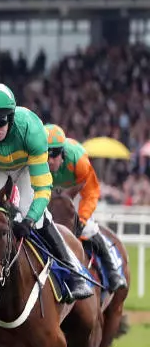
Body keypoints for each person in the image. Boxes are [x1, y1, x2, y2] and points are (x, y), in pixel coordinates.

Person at [0, 83, 93, 305]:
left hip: (25, 168)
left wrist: (30, 220)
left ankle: (72, 271)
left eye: (0, 121)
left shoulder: (32, 130)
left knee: (40, 219)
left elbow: (42, 187)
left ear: (11, 116)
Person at [45, 123, 126, 290]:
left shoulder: (79, 161)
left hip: (74, 194)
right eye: (46, 155)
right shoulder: (33, 160)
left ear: (63, 152)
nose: (50, 161)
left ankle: (113, 273)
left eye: (55, 155)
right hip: (47, 195)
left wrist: (81, 219)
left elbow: (91, 193)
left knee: (89, 228)